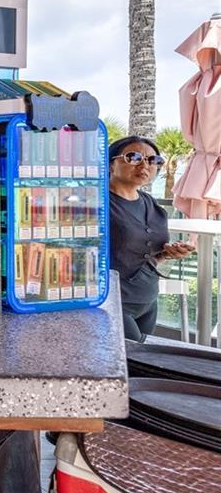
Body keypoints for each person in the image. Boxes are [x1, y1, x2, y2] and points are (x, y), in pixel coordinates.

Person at [108, 135, 194, 341]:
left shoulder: (151, 204)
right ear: (110, 164)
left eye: (153, 160)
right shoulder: (98, 202)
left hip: (147, 300)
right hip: (113, 301)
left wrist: (169, 252)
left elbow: (152, 255)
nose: (144, 165)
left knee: (142, 363)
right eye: (134, 157)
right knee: (130, 361)